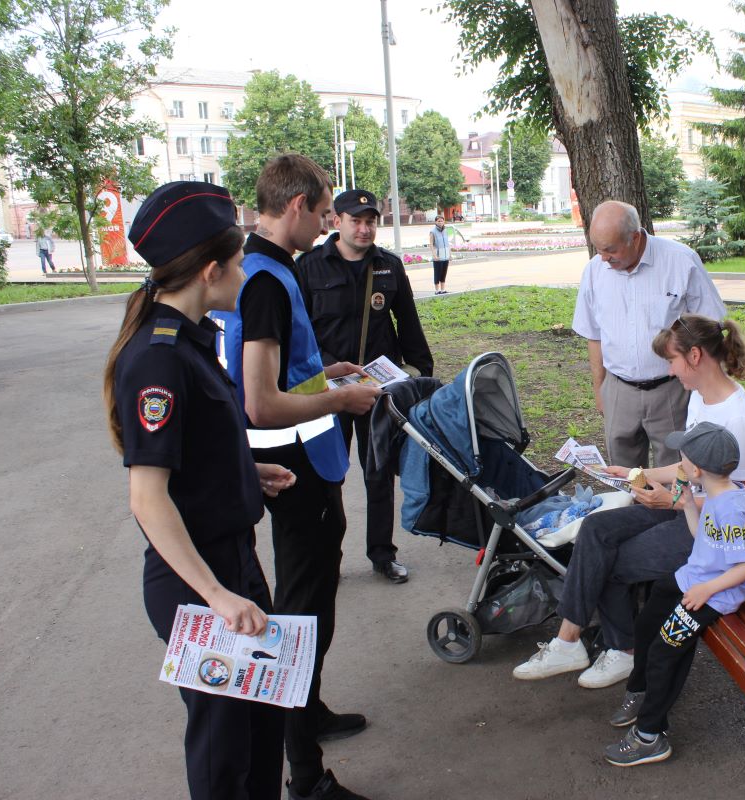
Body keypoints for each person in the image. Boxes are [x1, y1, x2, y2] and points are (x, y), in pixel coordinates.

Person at [104, 181, 295, 798]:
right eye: (238, 264)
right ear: (210, 271)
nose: (245, 275)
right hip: (197, 581)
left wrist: (246, 472)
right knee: (222, 753)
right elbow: (147, 495)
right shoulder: (158, 359)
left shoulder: (192, 338)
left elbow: (198, 447)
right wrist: (213, 595)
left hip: (231, 562)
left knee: (262, 727)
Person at [212, 154, 382, 800]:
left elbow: (280, 381)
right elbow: (258, 401)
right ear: (298, 206)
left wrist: (325, 374)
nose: (327, 223)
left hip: (308, 463)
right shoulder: (263, 280)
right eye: (323, 211)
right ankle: (304, 773)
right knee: (301, 613)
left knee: (314, 602)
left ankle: (305, 712)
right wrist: (339, 400)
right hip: (296, 469)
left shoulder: (266, 269)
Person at [514, 313, 745, 690]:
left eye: (672, 360)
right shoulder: (701, 398)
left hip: (712, 536)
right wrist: (639, 473)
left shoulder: (738, 418)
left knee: (611, 560)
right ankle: (570, 642)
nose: (669, 371)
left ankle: (623, 650)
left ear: (695, 356)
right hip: (687, 511)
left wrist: (675, 501)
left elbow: (738, 502)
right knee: (597, 528)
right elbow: (689, 467)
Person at [601, 422, 745, 766]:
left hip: (717, 591)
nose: (680, 463)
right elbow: (701, 537)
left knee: (664, 650)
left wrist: (707, 589)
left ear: (697, 469)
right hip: (697, 576)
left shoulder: (733, 508)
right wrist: (689, 503)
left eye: (682, 459)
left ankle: (650, 736)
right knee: (647, 623)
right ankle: (640, 691)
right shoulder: (717, 496)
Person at [295, 189, 434, 584]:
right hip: (327, 391)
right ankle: (328, 557)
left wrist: (418, 373)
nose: (364, 227)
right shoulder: (309, 267)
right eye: (355, 220)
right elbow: (299, 332)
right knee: (328, 476)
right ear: (335, 221)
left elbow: (407, 323)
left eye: (370, 220)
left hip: (375, 391)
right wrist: (321, 372)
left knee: (378, 474)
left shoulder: (388, 266)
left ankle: (382, 555)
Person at [572, 200, 726, 471]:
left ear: (634, 237)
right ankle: (631, 513)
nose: (604, 258)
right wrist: (600, 389)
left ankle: (669, 514)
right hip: (618, 389)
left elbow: (710, 327)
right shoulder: (595, 271)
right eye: (598, 249)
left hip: (672, 390)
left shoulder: (680, 261)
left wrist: (705, 387)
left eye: (610, 250)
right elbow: (593, 335)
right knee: (623, 475)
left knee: (676, 471)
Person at [429, 215, 451, 294]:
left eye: (441, 221)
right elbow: (431, 244)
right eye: (438, 221)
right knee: (437, 273)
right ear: (435, 222)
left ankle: (443, 289)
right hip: (438, 257)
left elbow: (448, 243)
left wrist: (450, 254)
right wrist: (434, 255)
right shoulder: (433, 232)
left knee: (443, 273)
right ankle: (437, 290)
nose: (440, 222)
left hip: (445, 256)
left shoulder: (445, 230)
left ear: (443, 221)